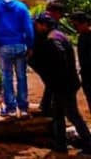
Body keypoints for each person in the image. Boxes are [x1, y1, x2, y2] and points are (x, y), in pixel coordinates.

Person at [29, 13, 91, 154]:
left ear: (44, 25)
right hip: (67, 83)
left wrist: (54, 76)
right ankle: (60, 145)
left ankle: (88, 143)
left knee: (72, 115)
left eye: (38, 25)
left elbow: (59, 58)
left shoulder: (52, 40)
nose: (36, 27)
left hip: (63, 85)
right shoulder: (59, 34)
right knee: (58, 113)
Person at [73, 12, 91, 112]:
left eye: (76, 25)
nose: (75, 28)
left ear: (84, 23)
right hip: (86, 75)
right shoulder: (81, 37)